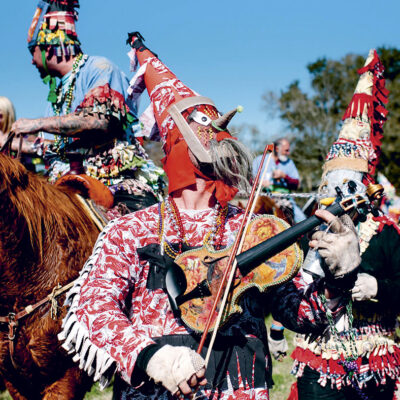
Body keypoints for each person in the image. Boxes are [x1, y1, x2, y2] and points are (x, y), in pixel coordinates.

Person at [58, 33, 362, 399]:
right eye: (205, 128)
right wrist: (153, 358)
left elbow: (303, 315)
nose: (221, 137)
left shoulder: (255, 230)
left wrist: (341, 278)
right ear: (176, 146)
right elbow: (93, 307)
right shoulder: (130, 229)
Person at [286, 49, 400, 400]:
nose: (337, 196)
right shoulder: (308, 230)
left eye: (347, 186)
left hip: (373, 359)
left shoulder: (385, 232)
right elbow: (288, 291)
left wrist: (375, 287)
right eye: (331, 185)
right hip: (319, 360)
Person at [6, 0, 163, 207]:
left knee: (133, 232)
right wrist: (13, 144)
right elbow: (53, 148)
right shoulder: (56, 95)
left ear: (49, 45)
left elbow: (102, 121)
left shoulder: (99, 68)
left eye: (32, 51)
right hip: (65, 188)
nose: (32, 61)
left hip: (112, 182)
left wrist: (36, 124)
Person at [253, 138, 306, 223]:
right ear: (277, 149)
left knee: (303, 220)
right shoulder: (260, 160)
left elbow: (296, 184)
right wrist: (259, 182)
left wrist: (284, 176)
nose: (288, 153)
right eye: (286, 150)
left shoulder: (289, 163)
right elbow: (249, 179)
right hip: (263, 197)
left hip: (284, 198)